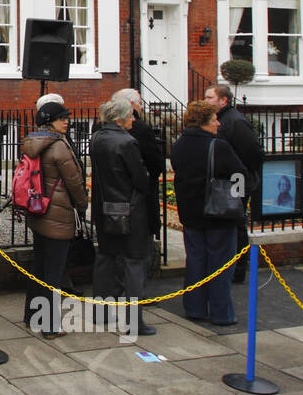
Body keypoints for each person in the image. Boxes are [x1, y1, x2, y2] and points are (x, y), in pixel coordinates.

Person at [172, 101, 246, 325]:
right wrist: (239, 199)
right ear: (204, 121)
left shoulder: (179, 144)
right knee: (220, 265)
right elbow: (239, 175)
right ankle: (221, 313)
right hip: (218, 214)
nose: (218, 122)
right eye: (214, 119)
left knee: (195, 261)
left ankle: (195, 308)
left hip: (190, 213)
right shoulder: (218, 146)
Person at [21, 100, 89, 338]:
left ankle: (32, 315)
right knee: (54, 272)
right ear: (50, 121)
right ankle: (50, 325)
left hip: (39, 211)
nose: (67, 121)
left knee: (38, 267)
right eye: (62, 118)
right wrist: (82, 205)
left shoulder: (33, 142)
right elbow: (74, 181)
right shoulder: (59, 146)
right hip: (58, 214)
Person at [89, 98, 153, 336]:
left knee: (105, 259)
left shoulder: (96, 138)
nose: (134, 120)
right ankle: (135, 321)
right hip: (130, 209)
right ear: (120, 119)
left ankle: (101, 312)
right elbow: (140, 178)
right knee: (134, 263)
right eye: (130, 116)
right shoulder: (127, 142)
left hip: (103, 207)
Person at [205, 84, 263, 284]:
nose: (206, 101)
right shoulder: (218, 120)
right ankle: (227, 264)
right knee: (228, 224)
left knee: (237, 223)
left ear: (223, 100)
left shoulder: (235, 121)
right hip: (224, 181)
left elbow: (253, 153)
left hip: (236, 181)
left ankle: (238, 268)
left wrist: (241, 174)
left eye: (210, 97)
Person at [112, 88, 165, 254]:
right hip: (138, 199)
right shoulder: (140, 129)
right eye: (140, 104)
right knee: (137, 254)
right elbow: (155, 164)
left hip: (112, 199)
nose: (141, 107)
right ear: (132, 105)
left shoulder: (101, 128)